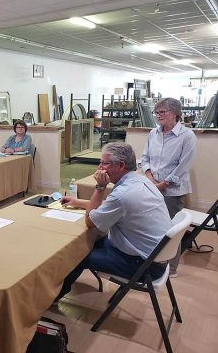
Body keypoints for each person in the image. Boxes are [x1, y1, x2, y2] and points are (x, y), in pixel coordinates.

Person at [55, 142, 172, 301]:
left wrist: (99, 188)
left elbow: (90, 221)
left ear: (121, 165)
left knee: (76, 254)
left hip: (144, 267)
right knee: (89, 242)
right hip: (156, 258)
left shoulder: (122, 194)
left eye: (104, 163)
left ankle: (55, 297)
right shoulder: (141, 181)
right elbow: (112, 207)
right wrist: (78, 203)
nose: (99, 168)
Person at [141, 97, 197, 277]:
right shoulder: (153, 133)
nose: (158, 116)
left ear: (175, 114)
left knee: (172, 229)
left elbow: (183, 167)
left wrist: (163, 184)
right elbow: (145, 159)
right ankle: (153, 262)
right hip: (152, 186)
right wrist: (150, 179)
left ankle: (171, 268)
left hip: (171, 191)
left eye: (162, 112)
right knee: (151, 224)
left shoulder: (187, 136)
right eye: (156, 112)